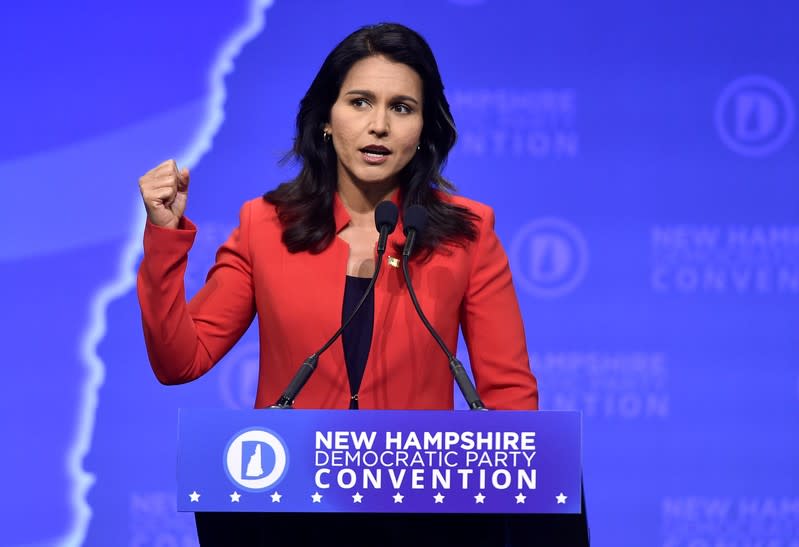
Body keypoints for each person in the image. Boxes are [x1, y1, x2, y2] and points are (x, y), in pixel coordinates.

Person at [137, 22, 586, 546]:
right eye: (359, 102)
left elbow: (509, 397)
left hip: (426, 514)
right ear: (327, 119)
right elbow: (180, 360)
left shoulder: (468, 232)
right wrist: (165, 236)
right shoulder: (266, 224)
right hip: (288, 509)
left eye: (401, 108)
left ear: (423, 130)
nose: (379, 125)